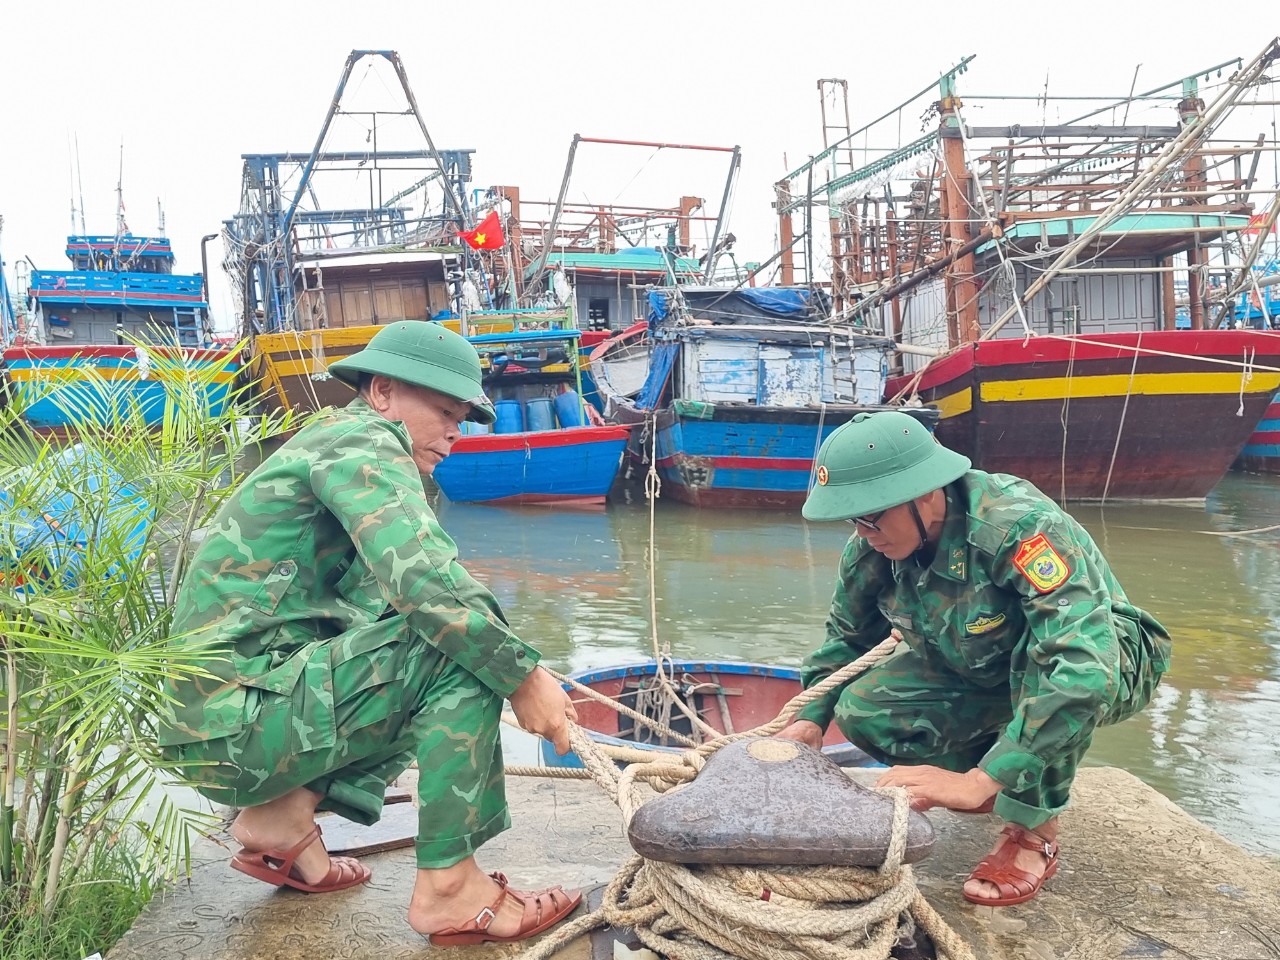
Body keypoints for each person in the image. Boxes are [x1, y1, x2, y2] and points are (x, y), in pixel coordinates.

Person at [158, 321, 583, 945]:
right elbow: (430, 587)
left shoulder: (333, 444)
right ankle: (451, 890)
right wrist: (524, 677)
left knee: (429, 633)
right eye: (444, 411)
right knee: (458, 648)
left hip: (224, 726)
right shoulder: (362, 441)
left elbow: (394, 599)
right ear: (382, 391)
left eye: (461, 417)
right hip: (238, 722)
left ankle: (281, 820)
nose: (454, 433)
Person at [776, 411, 1171, 907]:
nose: (863, 532)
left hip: (1109, 658)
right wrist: (808, 720)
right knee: (863, 709)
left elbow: (1081, 670)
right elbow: (847, 641)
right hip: (974, 660)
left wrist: (980, 778)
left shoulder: (1020, 529)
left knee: (1044, 662)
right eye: (853, 520)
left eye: (871, 516)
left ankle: (1032, 829)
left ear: (924, 493)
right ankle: (999, 780)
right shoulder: (874, 548)